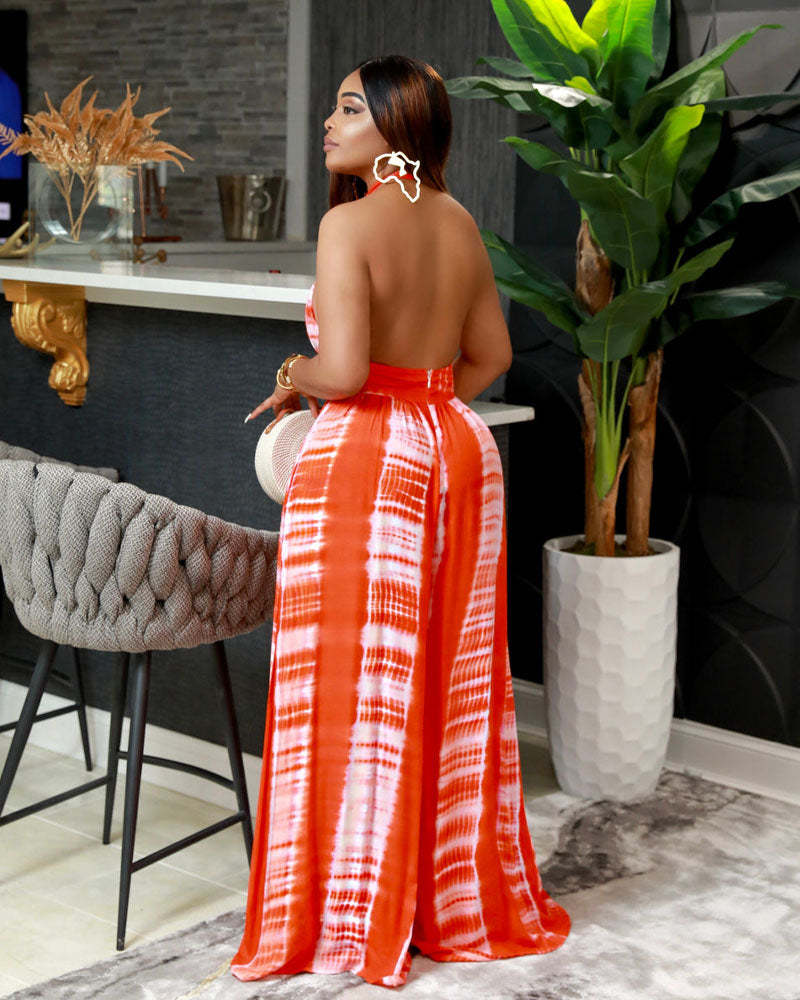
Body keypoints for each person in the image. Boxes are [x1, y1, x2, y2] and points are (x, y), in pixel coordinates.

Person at [233, 54, 571, 989]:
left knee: (351, 686)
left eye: (349, 108)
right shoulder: (457, 221)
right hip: (458, 452)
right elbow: (491, 356)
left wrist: (291, 377)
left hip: (368, 460)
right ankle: (441, 897)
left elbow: (343, 372)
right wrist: (426, 397)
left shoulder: (348, 224)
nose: (330, 122)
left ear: (396, 125)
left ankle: (351, 908)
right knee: (448, 679)